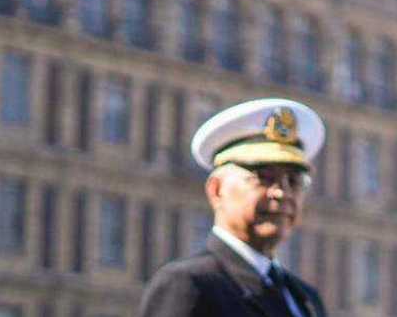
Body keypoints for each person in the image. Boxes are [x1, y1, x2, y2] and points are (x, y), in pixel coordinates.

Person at [139, 98, 327, 317]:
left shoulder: (304, 298)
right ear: (217, 190)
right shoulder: (189, 285)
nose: (282, 193)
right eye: (264, 178)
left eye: (294, 182)